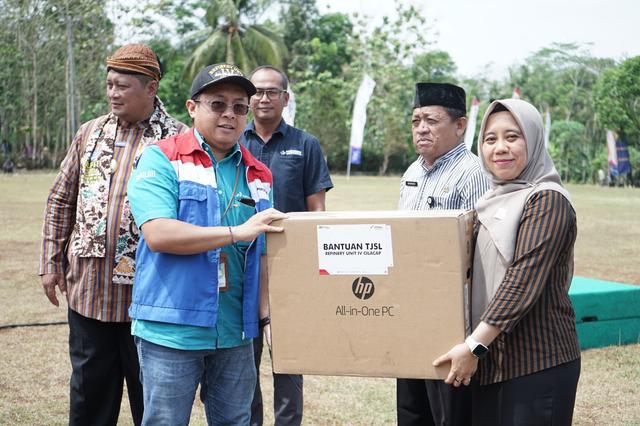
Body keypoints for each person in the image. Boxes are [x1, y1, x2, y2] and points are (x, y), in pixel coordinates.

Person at [127, 63, 287, 425]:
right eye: (218, 104)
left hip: (235, 333)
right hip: (172, 330)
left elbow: (262, 254)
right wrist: (235, 233)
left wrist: (267, 318)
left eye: (239, 107)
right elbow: (159, 234)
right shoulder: (161, 158)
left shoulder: (258, 173)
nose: (229, 114)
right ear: (192, 107)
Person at [39, 43, 185, 426]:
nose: (113, 93)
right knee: (89, 399)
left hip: (151, 299)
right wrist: (50, 263)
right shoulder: (90, 133)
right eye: (109, 84)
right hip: (90, 294)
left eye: (122, 86)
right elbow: (60, 200)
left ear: (151, 87)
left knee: (151, 403)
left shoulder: (178, 140)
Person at [433, 99, 581, 425]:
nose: (500, 148)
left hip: (537, 363)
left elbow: (522, 281)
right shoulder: (490, 200)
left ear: (534, 140)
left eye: (512, 137)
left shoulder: (547, 200)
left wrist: (474, 347)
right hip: (493, 363)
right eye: (490, 139)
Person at [241, 65, 333, 426]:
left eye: (272, 91)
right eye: (257, 91)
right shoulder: (234, 141)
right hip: (244, 267)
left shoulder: (305, 144)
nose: (264, 98)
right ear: (249, 98)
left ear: (285, 98)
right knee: (243, 362)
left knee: (289, 361)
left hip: (291, 273)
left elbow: (318, 212)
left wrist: (315, 270)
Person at [397, 82, 490, 426]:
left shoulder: (473, 173)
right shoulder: (412, 172)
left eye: (432, 121)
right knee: (411, 410)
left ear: (461, 125)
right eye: (416, 120)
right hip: (410, 312)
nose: (421, 128)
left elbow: (479, 255)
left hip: (452, 319)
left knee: (449, 413)